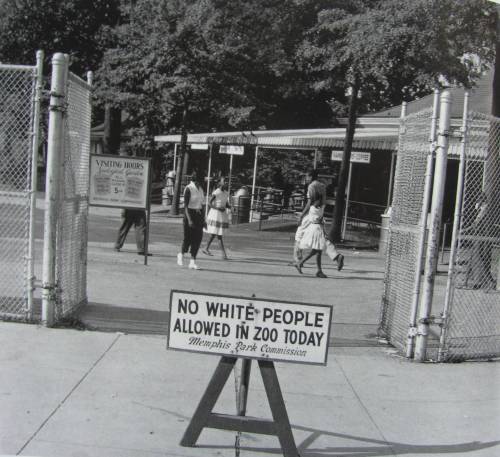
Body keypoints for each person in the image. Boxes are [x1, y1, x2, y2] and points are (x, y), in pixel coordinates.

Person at [293, 169, 344, 275]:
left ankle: (301, 262)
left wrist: (301, 215)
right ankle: (319, 270)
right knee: (319, 245)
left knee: (317, 246)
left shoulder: (311, 187)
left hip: (314, 218)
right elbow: (322, 201)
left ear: (311, 177)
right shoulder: (322, 186)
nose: (306, 178)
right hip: (320, 215)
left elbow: (309, 202)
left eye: (307, 176)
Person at [177, 170, 205, 270]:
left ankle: (192, 262)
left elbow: (202, 205)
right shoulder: (188, 188)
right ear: (195, 179)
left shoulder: (201, 189)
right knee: (187, 238)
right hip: (189, 214)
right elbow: (185, 206)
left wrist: (204, 219)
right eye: (200, 180)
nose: (201, 182)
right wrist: (189, 220)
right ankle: (181, 254)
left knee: (197, 239)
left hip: (199, 215)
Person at [203, 178, 230, 259]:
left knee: (215, 234)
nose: (226, 183)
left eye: (226, 182)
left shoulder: (226, 193)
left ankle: (206, 248)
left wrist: (231, 207)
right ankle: (223, 254)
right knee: (219, 235)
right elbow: (209, 203)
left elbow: (226, 204)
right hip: (215, 214)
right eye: (224, 181)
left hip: (222, 215)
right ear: (220, 183)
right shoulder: (216, 192)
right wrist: (217, 208)